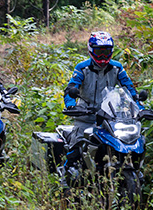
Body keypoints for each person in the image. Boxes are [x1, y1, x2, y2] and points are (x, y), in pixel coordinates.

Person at [61, 31, 143, 183]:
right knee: (76, 146)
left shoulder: (117, 68)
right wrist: (72, 106)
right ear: (91, 50)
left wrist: (139, 106)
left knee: (131, 142)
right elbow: (71, 88)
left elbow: (130, 89)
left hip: (110, 117)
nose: (103, 56)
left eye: (106, 51)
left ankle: (136, 175)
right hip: (86, 116)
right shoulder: (82, 68)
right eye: (99, 51)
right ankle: (65, 181)